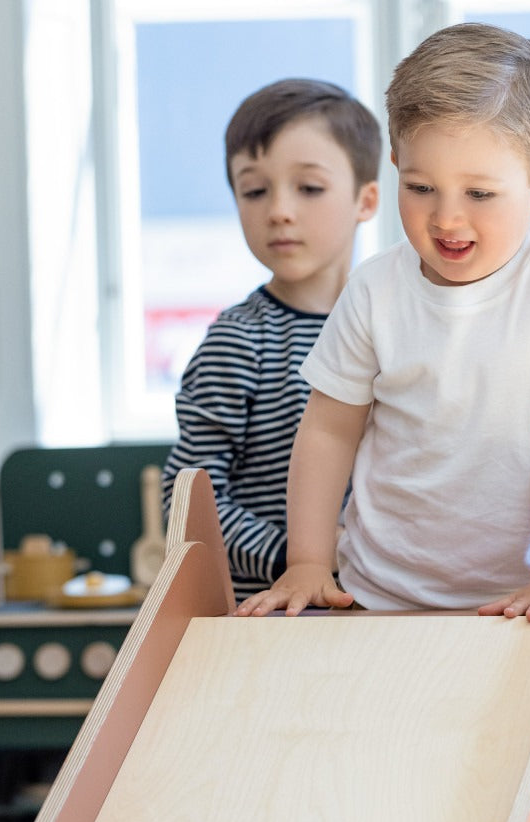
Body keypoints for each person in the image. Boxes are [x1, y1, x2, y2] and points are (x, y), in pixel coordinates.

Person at [236, 24, 530, 621]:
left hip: (515, 604)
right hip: (374, 597)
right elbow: (328, 433)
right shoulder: (374, 289)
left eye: (480, 194)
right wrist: (309, 561)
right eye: (420, 187)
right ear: (394, 168)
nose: (446, 218)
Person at [161, 79, 381, 602]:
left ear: (365, 199)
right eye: (255, 190)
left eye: (308, 188)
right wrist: (296, 555)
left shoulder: (395, 329)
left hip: (385, 606)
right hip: (271, 615)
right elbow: (186, 505)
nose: (279, 210)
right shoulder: (238, 341)